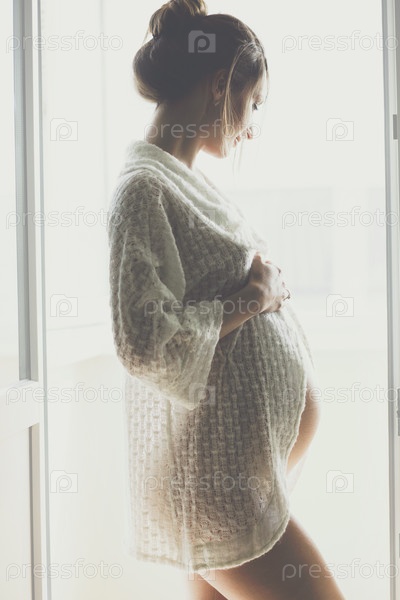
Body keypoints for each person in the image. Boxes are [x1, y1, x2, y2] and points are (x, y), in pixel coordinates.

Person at [107, 1, 346, 598]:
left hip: (233, 476)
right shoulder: (143, 189)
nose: (252, 126)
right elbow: (143, 342)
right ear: (220, 84)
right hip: (215, 486)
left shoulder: (181, 182)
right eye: (253, 102)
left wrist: (262, 294)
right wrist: (253, 299)